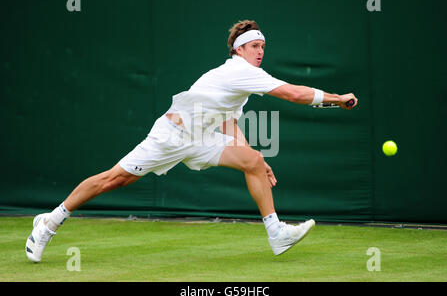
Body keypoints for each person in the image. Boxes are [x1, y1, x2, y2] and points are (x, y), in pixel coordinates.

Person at [26, 20, 358, 262]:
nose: (260, 52)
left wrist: (254, 157)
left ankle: (276, 233)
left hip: (200, 138)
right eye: (255, 47)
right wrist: (336, 98)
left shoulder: (236, 81)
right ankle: (50, 221)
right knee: (116, 180)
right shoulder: (239, 71)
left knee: (253, 161)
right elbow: (293, 93)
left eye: (263, 48)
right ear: (239, 49)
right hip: (170, 136)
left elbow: (228, 122)